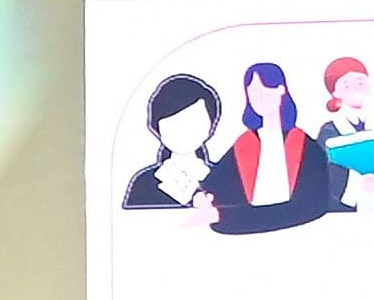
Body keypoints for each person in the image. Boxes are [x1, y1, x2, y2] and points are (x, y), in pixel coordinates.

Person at [201, 61, 332, 232]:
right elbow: (215, 186)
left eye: (265, 88)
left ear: (281, 89)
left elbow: (312, 206)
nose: (259, 97)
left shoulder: (307, 148)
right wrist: (202, 196)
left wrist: (226, 218)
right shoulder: (245, 143)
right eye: (253, 91)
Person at [120, 72, 222, 210]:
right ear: (157, 128)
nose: (184, 131)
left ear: (210, 127)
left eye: (194, 122)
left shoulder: (222, 179)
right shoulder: (143, 183)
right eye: (174, 123)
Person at [320, 57, 374, 211]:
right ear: (334, 92)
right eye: (347, 85)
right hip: (344, 199)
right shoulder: (329, 130)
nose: (355, 88)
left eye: (360, 82)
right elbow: (321, 167)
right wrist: (356, 182)